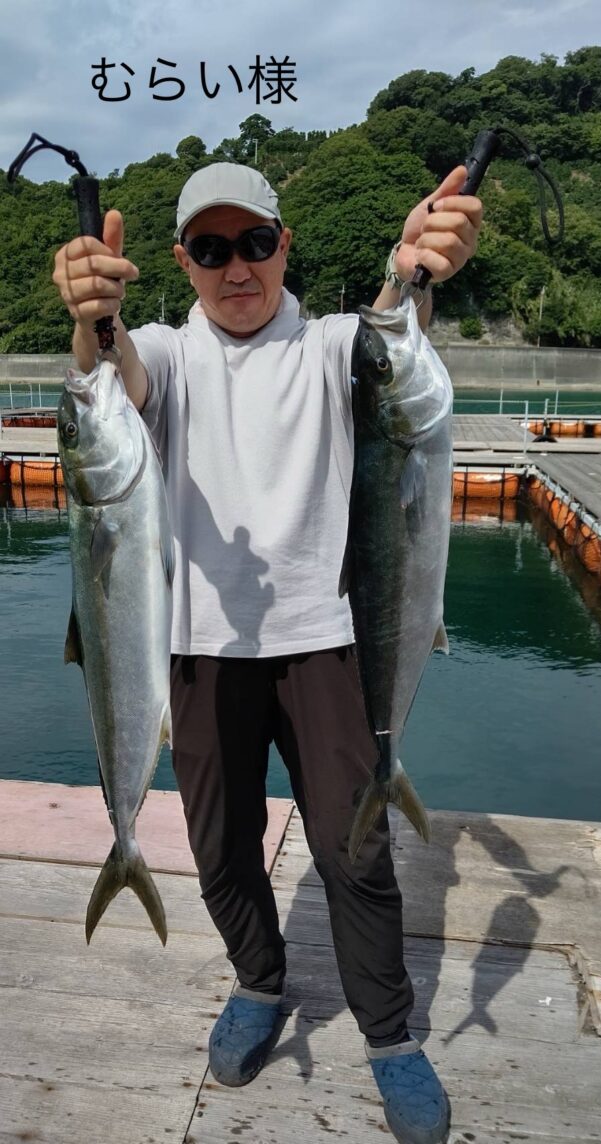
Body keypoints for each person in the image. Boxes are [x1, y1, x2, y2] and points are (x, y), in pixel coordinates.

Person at [53, 160, 482, 1144]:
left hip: (329, 642)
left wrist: (410, 268)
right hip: (196, 649)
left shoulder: (331, 346)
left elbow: (389, 335)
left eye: (253, 242)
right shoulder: (167, 352)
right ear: (182, 262)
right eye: (211, 249)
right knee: (218, 847)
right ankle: (257, 979)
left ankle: (389, 1035)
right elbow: (112, 377)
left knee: (353, 851)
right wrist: (91, 316)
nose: (235, 267)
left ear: (285, 244)